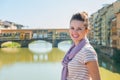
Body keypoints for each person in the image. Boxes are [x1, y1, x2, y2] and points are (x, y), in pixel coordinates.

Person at [61, 11, 101, 80]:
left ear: (86, 31)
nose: (74, 32)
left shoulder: (87, 51)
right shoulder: (73, 50)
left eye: (79, 29)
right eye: (72, 28)